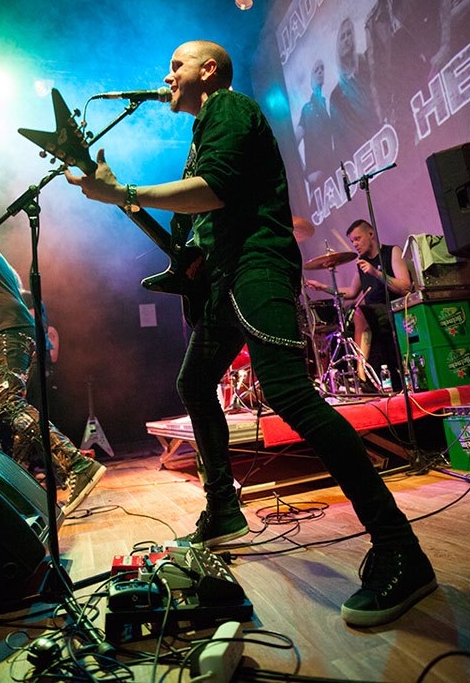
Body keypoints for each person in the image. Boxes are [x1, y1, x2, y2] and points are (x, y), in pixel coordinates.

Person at [65, 40, 436, 627]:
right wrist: (130, 207)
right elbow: (197, 228)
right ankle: (222, 508)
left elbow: (215, 189)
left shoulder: (230, 107)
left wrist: (126, 193)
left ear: (208, 70)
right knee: (194, 383)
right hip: (224, 280)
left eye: (177, 66)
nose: (168, 77)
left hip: (256, 268)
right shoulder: (203, 132)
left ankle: (400, 548)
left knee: (289, 393)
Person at [0, 212, 105, 515]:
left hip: (10, 332)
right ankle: (0, 485)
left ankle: (78, 464)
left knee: (9, 405)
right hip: (5, 334)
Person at [307, 219, 411, 388]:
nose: (355, 244)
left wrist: (376, 272)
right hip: (372, 315)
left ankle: (362, 374)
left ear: (371, 234)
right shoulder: (362, 261)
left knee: (360, 312)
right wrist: (323, 287)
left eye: (357, 239)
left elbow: (405, 287)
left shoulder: (392, 252)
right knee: (344, 327)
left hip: (394, 308)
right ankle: (340, 380)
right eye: (352, 241)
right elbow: (351, 292)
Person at [364, 0, 450, 131]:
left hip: (439, 68)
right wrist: (387, 117)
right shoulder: (373, 22)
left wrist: (445, 46)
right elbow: (376, 77)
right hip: (412, 98)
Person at [329, 18, 378, 161]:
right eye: (342, 36)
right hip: (363, 155)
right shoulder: (336, 96)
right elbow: (340, 141)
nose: (346, 40)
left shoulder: (366, 64)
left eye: (349, 34)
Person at [296, 59, 335, 185]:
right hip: (317, 176)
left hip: (332, 171)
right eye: (316, 70)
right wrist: (306, 173)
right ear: (311, 80)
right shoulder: (307, 109)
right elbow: (294, 142)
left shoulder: (327, 103)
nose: (320, 72)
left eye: (322, 69)